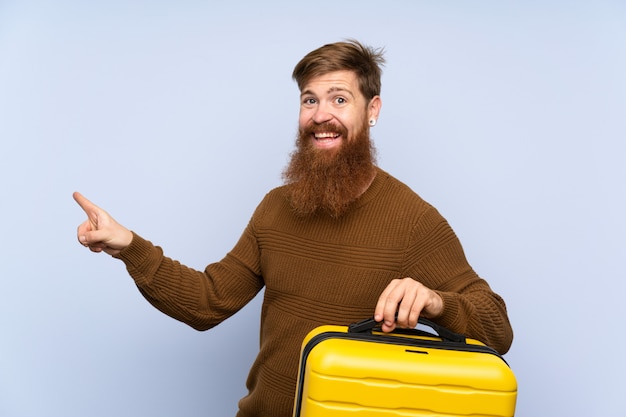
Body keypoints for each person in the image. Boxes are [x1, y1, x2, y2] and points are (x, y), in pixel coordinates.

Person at [74, 40, 513, 417]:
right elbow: (208, 303)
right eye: (309, 100)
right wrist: (127, 245)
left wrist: (437, 302)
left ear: (372, 109)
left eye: (339, 99)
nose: (321, 116)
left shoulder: (414, 221)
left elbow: (498, 329)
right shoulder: (276, 207)